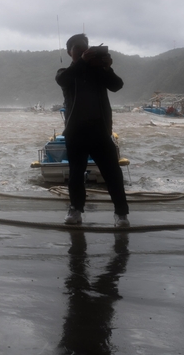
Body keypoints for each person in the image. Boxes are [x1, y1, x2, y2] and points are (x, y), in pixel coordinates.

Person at [55, 33, 129, 227]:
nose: (81, 51)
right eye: (77, 48)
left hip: (99, 130)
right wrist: (82, 62)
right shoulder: (66, 72)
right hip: (76, 132)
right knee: (76, 174)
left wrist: (106, 67)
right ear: (69, 51)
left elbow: (117, 85)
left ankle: (121, 214)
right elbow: (63, 81)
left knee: (113, 173)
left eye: (85, 48)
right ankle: (76, 210)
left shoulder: (98, 72)